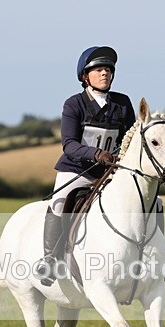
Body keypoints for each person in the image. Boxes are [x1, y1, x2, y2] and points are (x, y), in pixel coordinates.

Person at [34, 45, 136, 286]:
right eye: (99, 70)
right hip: (77, 169)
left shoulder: (122, 103)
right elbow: (69, 144)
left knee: (151, 200)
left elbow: (131, 136)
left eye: (108, 70)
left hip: (111, 171)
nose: (105, 73)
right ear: (85, 76)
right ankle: (50, 260)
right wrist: (96, 153)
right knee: (59, 203)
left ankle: (158, 258)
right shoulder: (74, 104)